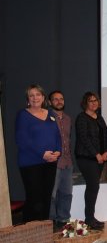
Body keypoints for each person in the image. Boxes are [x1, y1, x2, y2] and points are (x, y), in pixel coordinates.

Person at [15, 84, 61, 222]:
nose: (35, 98)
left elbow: (57, 136)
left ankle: (43, 234)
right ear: (28, 99)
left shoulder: (51, 114)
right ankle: (30, 235)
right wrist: (42, 154)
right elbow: (22, 140)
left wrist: (58, 151)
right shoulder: (23, 115)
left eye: (38, 94)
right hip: (31, 164)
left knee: (46, 198)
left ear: (43, 97)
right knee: (35, 200)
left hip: (50, 163)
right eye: (31, 95)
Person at [75, 92, 107, 230]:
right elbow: (84, 138)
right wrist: (96, 154)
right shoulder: (82, 118)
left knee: (94, 187)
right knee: (93, 187)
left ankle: (91, 217)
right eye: (91, 101)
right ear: (85, 103)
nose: (94, 103)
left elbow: (106, 136)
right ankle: (89, 219)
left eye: (96, 100)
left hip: (100, 158)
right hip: (86, 158)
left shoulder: (99, 118)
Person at [48, 91, 73, 229]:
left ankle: (63, 220)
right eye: (55, 99)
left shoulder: (68, 119)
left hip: (67, 162)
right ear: (50, 102)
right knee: (52, 195)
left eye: (61, 99)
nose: (59, 101)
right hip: (53, 162)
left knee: (67, 193)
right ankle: (51, 222)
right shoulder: (46, 117)